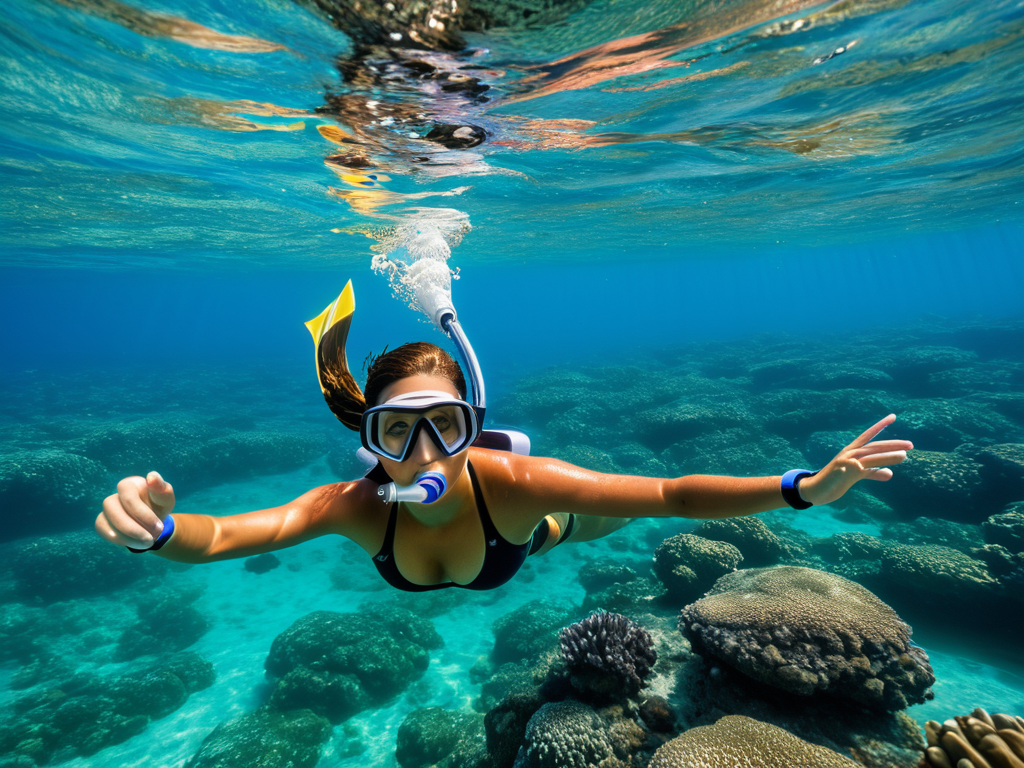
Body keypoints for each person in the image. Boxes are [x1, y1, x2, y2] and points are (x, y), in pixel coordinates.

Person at [95, 292, 912, 592]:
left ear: (469, 429)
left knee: (592, 514)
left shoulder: (513, 480)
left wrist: (803, 486)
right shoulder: (352, 505)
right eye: (395, 432)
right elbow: (236, 534)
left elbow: (667, 495)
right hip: (491, 533)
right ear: (370, 439)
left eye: (443, 427)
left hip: (526, 529)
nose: (420, 456)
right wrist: (158, 530)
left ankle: (560, 520)